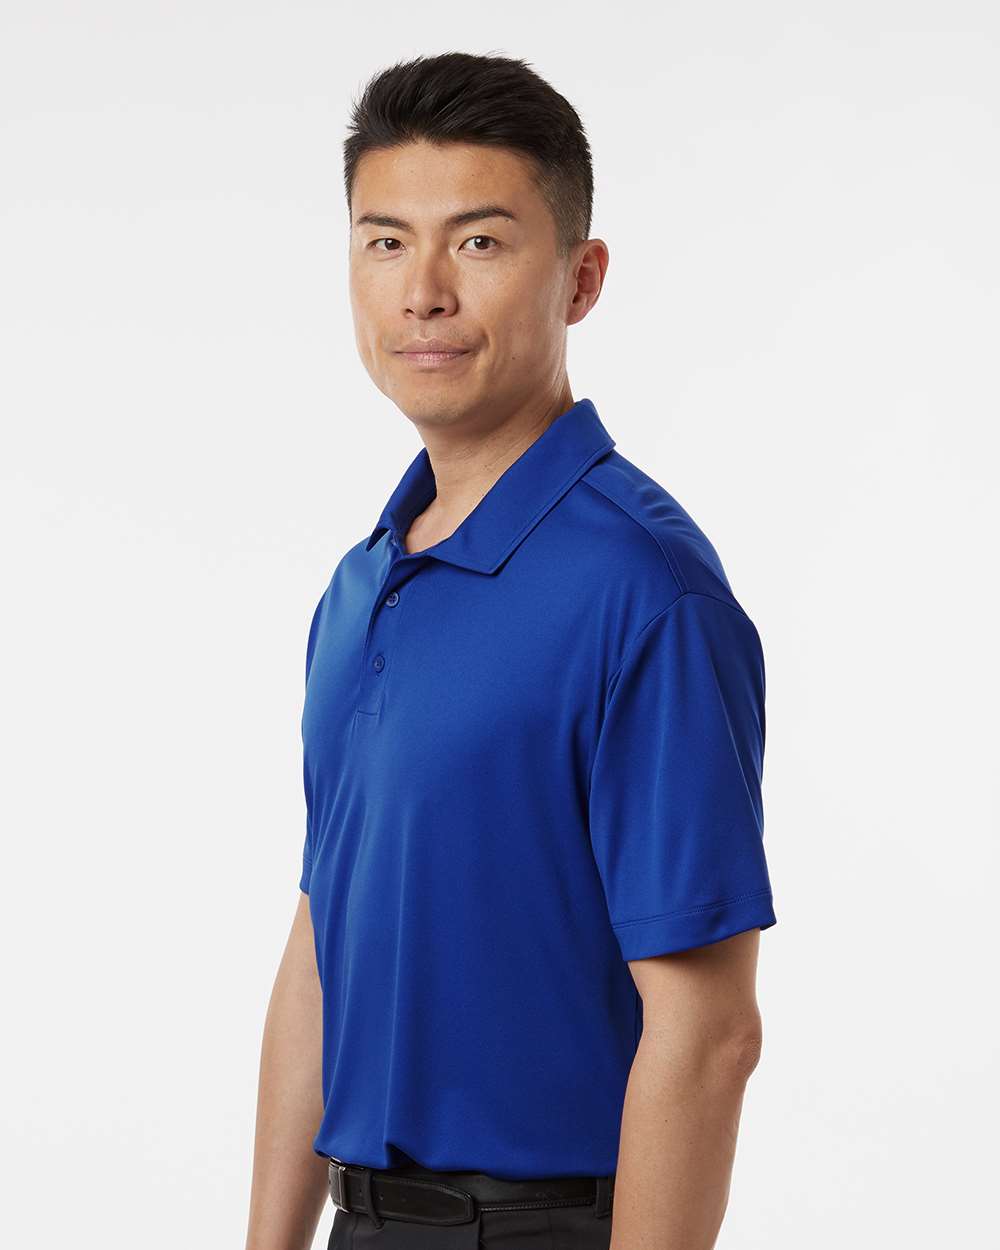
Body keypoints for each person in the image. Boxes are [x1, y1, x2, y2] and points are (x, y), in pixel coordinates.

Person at [245, 51, 777, 1250]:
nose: (423, 291)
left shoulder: (645, 590)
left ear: (581, 278)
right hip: (365, 1220)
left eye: (478, 242)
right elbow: (321, 942)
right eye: (385, 242)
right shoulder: (362, 582)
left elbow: (707, 1031)